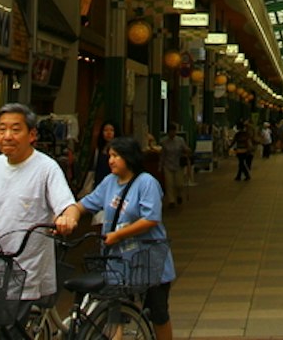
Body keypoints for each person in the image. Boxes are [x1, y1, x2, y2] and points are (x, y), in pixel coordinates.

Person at [0, 103, 81, 314]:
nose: (7, 136)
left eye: (15, 129)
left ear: (32, 135)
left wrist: (67, 220)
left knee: (13, 330)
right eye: (2, 129)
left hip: (27, 270)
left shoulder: (46, 167)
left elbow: (68, 206)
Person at [60, 136, 177, 340]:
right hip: (118, 260)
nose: (111, 160)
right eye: (109, 155)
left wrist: (117, 235)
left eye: (116, 156)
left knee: (158, 313)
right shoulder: (109, 182)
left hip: (149, 260)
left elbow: (151, 219)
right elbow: (85, 204)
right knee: (113, 312)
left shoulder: (146, 183)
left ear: (129, 157)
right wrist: (70, 215)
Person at [159, 124, 190, 207]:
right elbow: (162, 155)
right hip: (167, 165)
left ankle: (179, 194)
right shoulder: (164, 142)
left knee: (179, 183)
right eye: (170, 131)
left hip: (178, 165)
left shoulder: (180, 140)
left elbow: (185, 149)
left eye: (174, 131)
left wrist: (187, 150)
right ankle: (171, 200)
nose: (172, 133)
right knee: (169, 183)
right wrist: (160, 166)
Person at [84, 119, 116, 192]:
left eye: (111, 130)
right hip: (99, 184)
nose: (108, 133)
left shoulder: (120, 149)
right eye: (105, 130)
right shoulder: (98, 149)